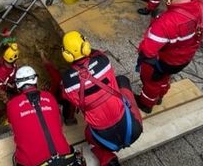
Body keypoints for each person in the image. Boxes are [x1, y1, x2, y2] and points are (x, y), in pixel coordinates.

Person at [60, 31, 143, 166]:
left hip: (104, 140)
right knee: (122, 80)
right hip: (133, 130)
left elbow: (68, 101)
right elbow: (96, 53)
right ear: (86, 45)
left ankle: (108, 159)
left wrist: (69, 118)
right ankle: (143, 105)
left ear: (66, 55)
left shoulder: (67, 82)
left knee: (88, 135)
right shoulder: (103, 60)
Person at [7, 65, 85, 166]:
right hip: (65, 158)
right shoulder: (49, 96)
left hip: (32, 162)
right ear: (35, 80)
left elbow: (13, 128)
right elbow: (59, 123)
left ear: (17, 85)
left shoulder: (11, 105)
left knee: (17, 157)